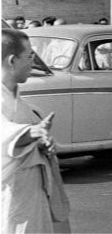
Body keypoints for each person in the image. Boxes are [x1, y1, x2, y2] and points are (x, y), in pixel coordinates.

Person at [1, 29, 71, 234]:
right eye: (30, 56)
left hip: (32, 190)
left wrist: (42, 142)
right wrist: (31, 133)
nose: (33, 62)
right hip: (11, 192)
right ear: (12, 60)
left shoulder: (27, 107)